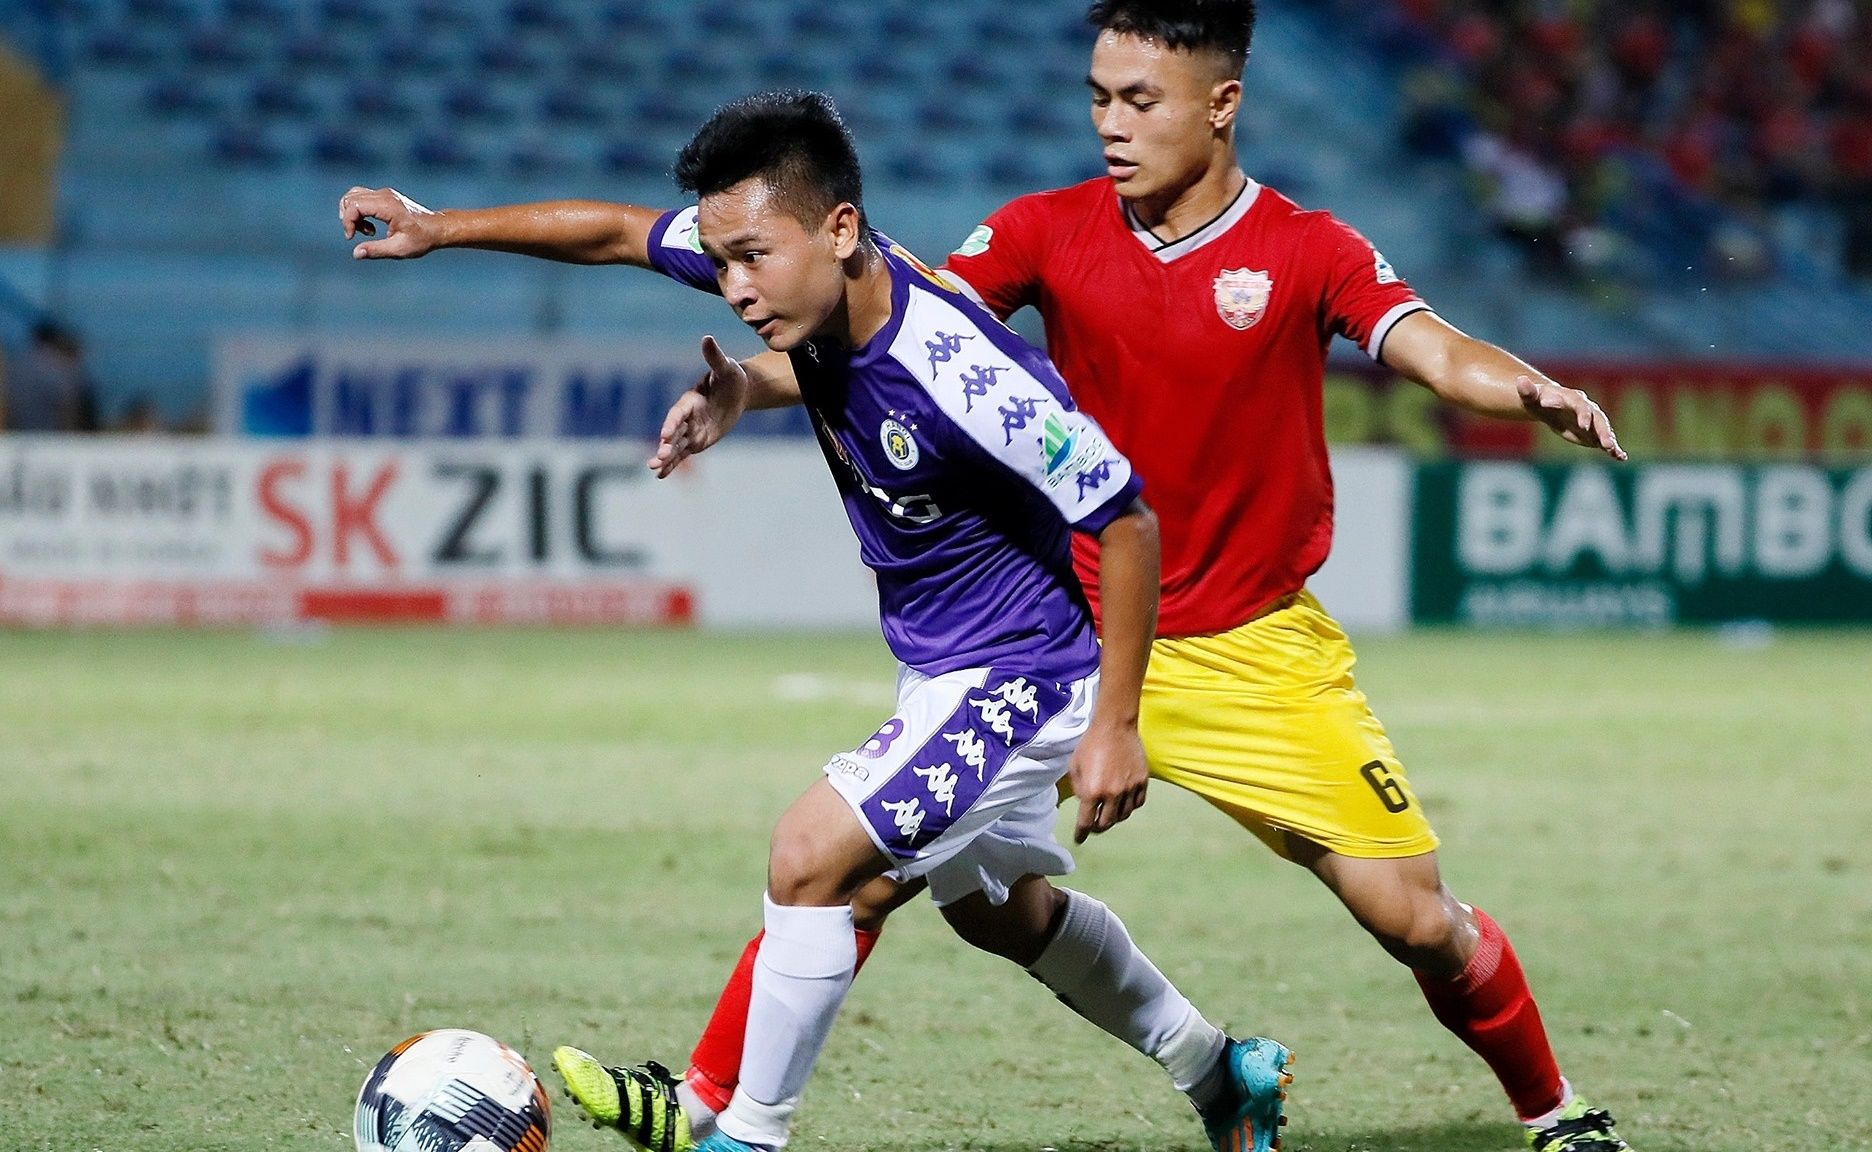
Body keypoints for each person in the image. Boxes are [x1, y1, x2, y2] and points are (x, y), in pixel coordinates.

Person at [636, 5, 1637, 1151]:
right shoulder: (1041, 230)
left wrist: (1524, 388)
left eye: (1139, 100)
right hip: (1068, 640)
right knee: (857, 872)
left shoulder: (1307, 249)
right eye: (1098, 97)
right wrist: (752, 386)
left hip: (1249, 648)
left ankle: (1554, 1114)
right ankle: (709, 1106)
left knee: (1412, 919)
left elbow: (1434, 349)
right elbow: (889, 340)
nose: (1109, 124)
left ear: (1220, 104)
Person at [343, 92, 1293, 1152]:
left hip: (1024, 677)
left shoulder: (970, 375)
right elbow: (614, 232)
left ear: (840, 229)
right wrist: (439, 227)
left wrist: (1114, 722)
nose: (733, 288)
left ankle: (739, 1133)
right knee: (997, 912)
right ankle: (1221, 1072)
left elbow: (1123, 517)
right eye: (720, 263)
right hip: (945, 666)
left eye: (751, 260)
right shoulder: (791, 269)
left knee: (809, 856)